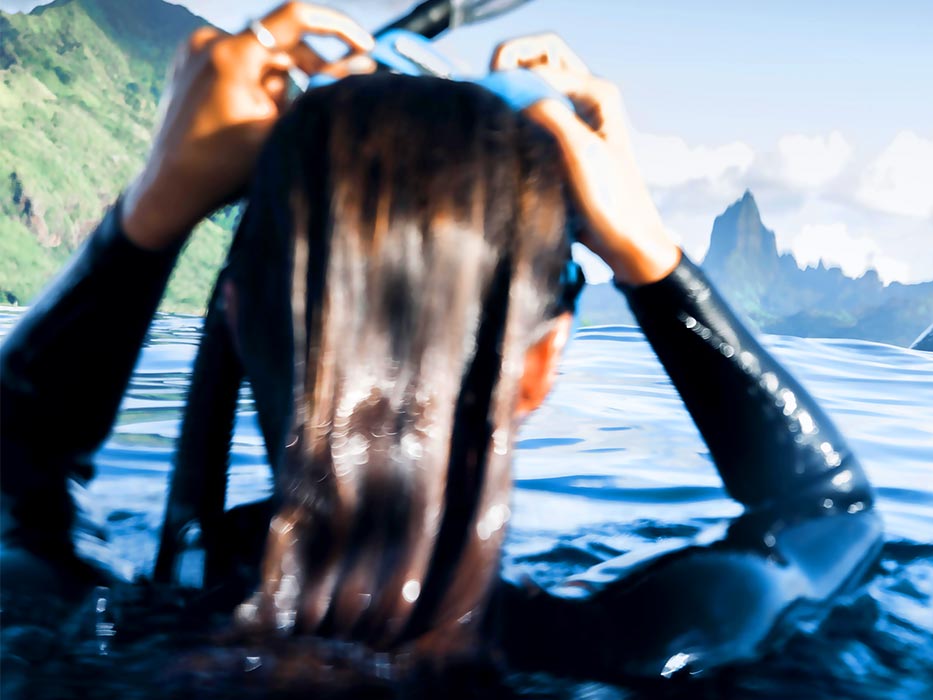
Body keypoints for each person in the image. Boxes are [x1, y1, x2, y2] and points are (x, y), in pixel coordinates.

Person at [0, 1, 881, 680]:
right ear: (540, 366)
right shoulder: (649, 645)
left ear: (234, 316)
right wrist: (645, 250)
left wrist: (154, 211)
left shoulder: (97, 634)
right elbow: (830, 512)